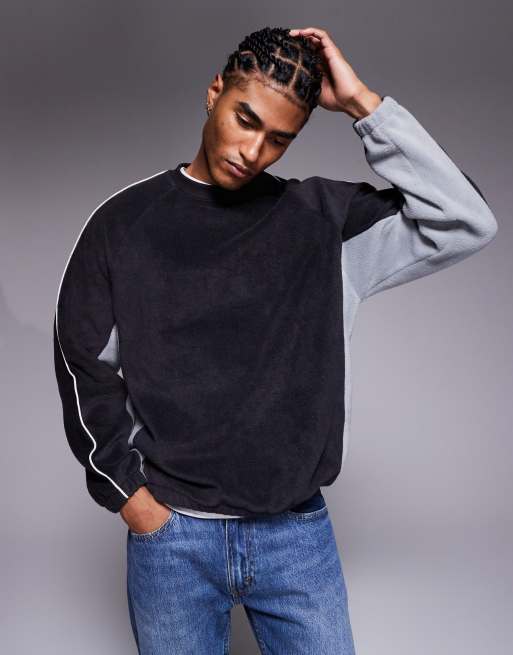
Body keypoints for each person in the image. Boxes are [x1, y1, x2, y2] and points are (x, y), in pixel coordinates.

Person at [52, 25, 497, 655]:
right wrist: (133, 501)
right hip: (173, 537)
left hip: (295, 536)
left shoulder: (324, 223)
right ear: (215, 91)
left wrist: (365, 106)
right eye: (245, 119)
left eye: (279, 139)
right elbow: (83, 366)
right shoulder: (123, 224)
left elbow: (467, 219)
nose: (253, 150)